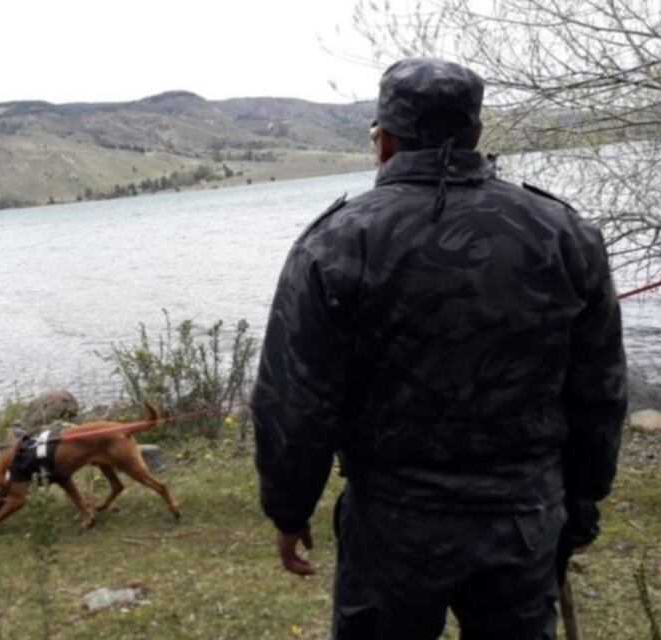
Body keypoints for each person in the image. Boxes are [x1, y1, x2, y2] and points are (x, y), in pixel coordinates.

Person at [252, 58, 627, 639]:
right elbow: (599, 389)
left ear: (384, 141)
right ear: (475, 134)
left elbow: (293, 402)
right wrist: (581, 502)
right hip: (522, 521)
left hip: (394, 530)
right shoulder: (562, 232)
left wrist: (289, 507)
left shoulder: (336, 243)